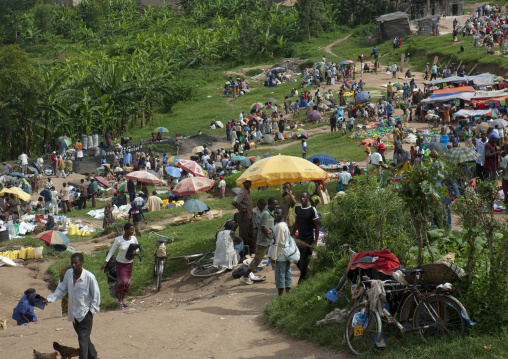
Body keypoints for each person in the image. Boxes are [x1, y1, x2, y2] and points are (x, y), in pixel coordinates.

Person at [44, 253, 100, 359]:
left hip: (85, 314)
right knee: (84, 338)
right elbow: (62, 289)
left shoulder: (89, 277)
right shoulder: (69, 274)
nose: (74, 265)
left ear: (82, 263)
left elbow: (96, 296)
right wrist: (49, 299)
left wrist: (91, 311)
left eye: (76, 263)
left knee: (82, 339)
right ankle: (93, 356)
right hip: (74, 314)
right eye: (72, 262)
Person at [240, 197, 278, 285]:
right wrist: (272, 235)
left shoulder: (270, 214)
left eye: (277, 204)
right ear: (270, 204)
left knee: (273, 258)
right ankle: (245, 276)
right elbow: (263, 228)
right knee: (257, 260)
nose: (276, 206)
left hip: (268, 241)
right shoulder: (266, 214)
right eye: (275, 204)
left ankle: (278, 277)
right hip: (263, 242)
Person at [101, 223, 139, 310]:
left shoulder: (134, 238)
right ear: (125, 230)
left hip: (129, 263)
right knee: (123, 282)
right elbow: (111, 251)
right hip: (120, 263)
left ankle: (122, 300)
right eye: (131, 230)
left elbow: (137, 247)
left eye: (133, 230)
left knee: (127, 283)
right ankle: (119, 301)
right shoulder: (119, 240)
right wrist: (105, 263)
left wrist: (135, 252)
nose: (133, 232)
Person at [292, 192, 319, 284]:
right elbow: (296, 223)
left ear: (308, 197)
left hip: (308, 239)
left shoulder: (312, 210)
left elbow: (317, 226)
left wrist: (315, 241)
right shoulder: (298, 208)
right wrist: (291, 234)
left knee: (304, 260)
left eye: (304, 197)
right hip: (299, 238)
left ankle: (301, 282)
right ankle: (308, 273)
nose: (302, 199)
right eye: (301, 197)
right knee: (296, 259)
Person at [269, 207, 293, 296]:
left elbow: (279, 243)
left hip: (281, 254)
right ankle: (288, 295)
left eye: (278, 213)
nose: (275, 215)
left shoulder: (280, 226)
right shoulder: (283, 224)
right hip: (286, 253)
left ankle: (280, 296)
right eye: (274, 213)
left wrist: (274, 256)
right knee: (287, 274)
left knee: (280, 275)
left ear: (283, 214)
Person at [231, 180, 254, 255]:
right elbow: (234, 202)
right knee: (244, 236)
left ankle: (251, 252)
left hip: (249, 216)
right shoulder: (242, 192)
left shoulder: (248, 191)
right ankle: (242, 254)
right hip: (243, 217)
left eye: (250, 182)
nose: (249, 184)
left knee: (250, 235)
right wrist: (241, 209)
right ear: (243, 183)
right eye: (247, 182)